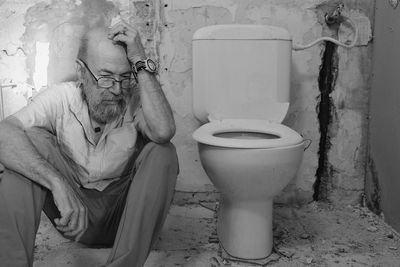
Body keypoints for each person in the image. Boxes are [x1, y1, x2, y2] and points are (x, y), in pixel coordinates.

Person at [0, 20, 178, 267]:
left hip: (124, 218)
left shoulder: (136, 99)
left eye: (124, 77)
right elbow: (3, 132)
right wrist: (57, 183)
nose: (116, 89)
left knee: (163, 152)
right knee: (30, 141)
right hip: (72, 216)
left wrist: (140, 60)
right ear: (81, 71)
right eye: (105, 77)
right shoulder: (61, 98)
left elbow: (164, 131)